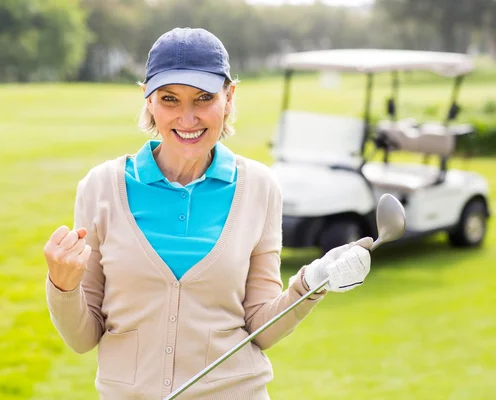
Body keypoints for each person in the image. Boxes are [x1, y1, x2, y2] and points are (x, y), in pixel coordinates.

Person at [44, 27, 374, 400]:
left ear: (229, 97)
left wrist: (311, 282)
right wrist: (63, 286)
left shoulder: (260, 187)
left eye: (203, 98)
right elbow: (83, 338)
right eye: (170, 99)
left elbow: (259, 329)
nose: (188, 118)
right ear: (148, 99)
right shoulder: (100, 188)